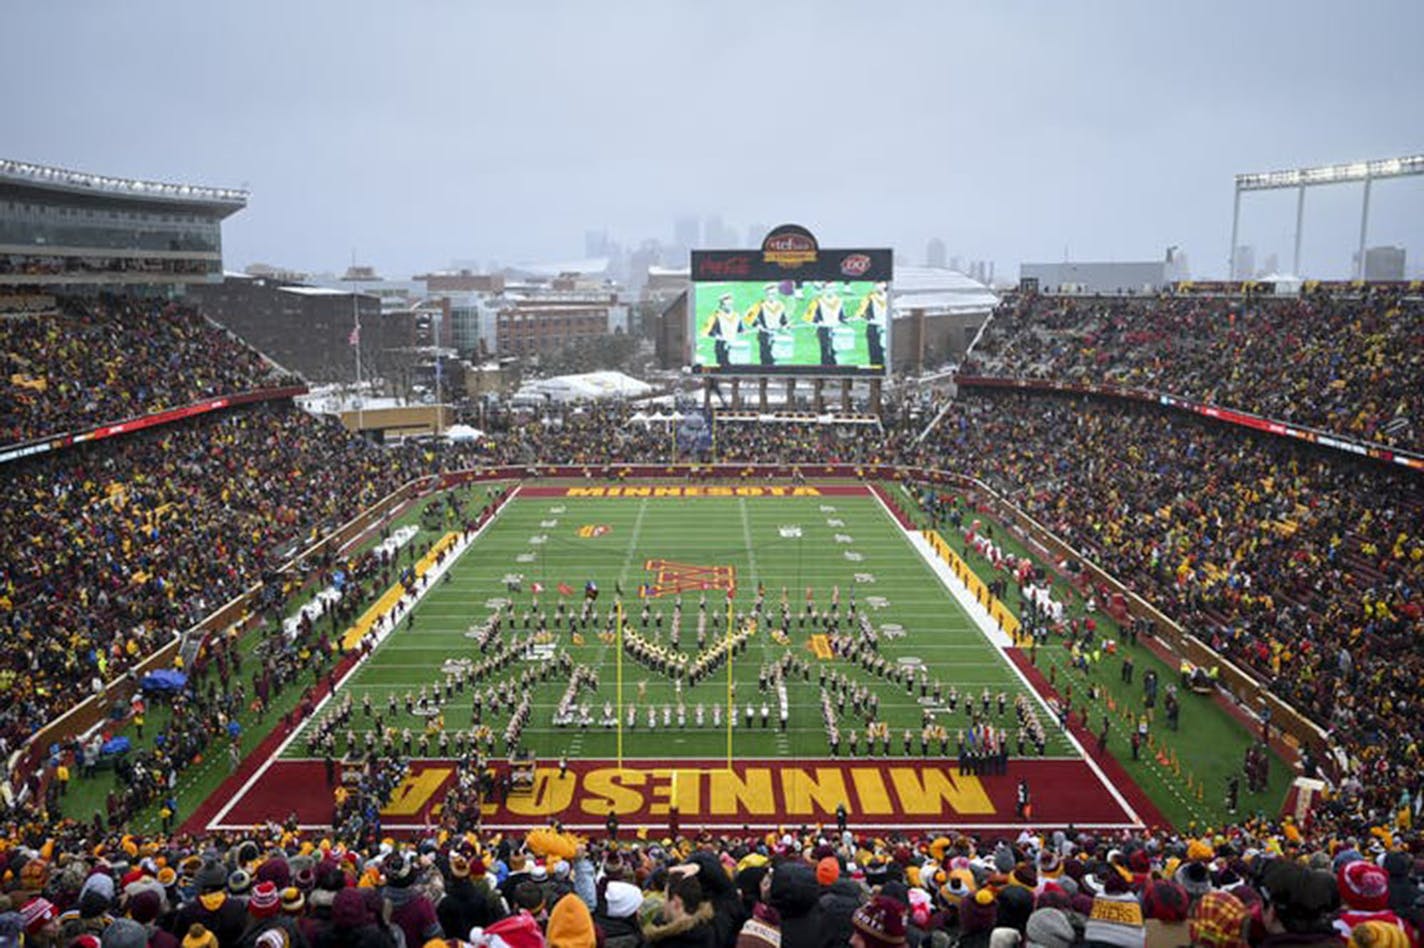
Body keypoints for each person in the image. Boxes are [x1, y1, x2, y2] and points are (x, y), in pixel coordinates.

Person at [744, 284, 788, 366]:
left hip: (776, 334)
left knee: (776, 357)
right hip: (764, 334)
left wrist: (785, 326)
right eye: (770, 294)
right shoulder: (760, 305)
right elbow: (748, 316)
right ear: (766, 295)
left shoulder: (780, 305)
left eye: (774, 294)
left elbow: (783, 319)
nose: (772, 296)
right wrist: (757, 325)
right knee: (765, 357)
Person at [804, 283, 844, 367]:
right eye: (828, 289)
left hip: (835, 329)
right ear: (824, 290)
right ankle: (825, 368)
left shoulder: (839, 300)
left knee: (834, 350)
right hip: (823, 329)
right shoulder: (817, 301)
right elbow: (808, 316)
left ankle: (835, 368)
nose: (830, 291)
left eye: (832, 288)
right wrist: (817, 322)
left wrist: (844, 320)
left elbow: (841, 316)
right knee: (825, 350)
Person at [855, 281, 888, 368]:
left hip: (886, 326)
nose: (877, 286)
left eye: (879, 284)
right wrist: (860, 315)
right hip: (874, 326)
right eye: (875, 284)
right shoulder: (870, 297)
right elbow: (862, 310)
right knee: (874, 352)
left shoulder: (890, 296)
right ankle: (876, 370)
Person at [705, 295, 741, 369]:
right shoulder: (716, 316)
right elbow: (708, 331)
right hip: (721, 346)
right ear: (722, 306)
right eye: (727, 304)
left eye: (731, 304)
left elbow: (740, 330)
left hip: (734, 345)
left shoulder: (736, 316)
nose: (729, 306)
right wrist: (719, 337)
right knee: (723, 367)